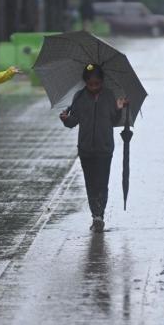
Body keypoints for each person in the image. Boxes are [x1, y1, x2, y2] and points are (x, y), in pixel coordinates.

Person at [60, 64, 127, 233]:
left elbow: (114, 119)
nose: (94, 87)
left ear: (102, 82)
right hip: (86, 149)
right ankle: (95, 215)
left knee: (102, 183)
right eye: (90, 84)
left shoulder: (109, 95)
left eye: (97, 84)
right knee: (90, 184)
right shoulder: (79, 96)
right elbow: (73, 121)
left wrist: (119, 109)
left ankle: (100, 215)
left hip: (105, 148)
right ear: (86, 82)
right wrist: (65, 119)